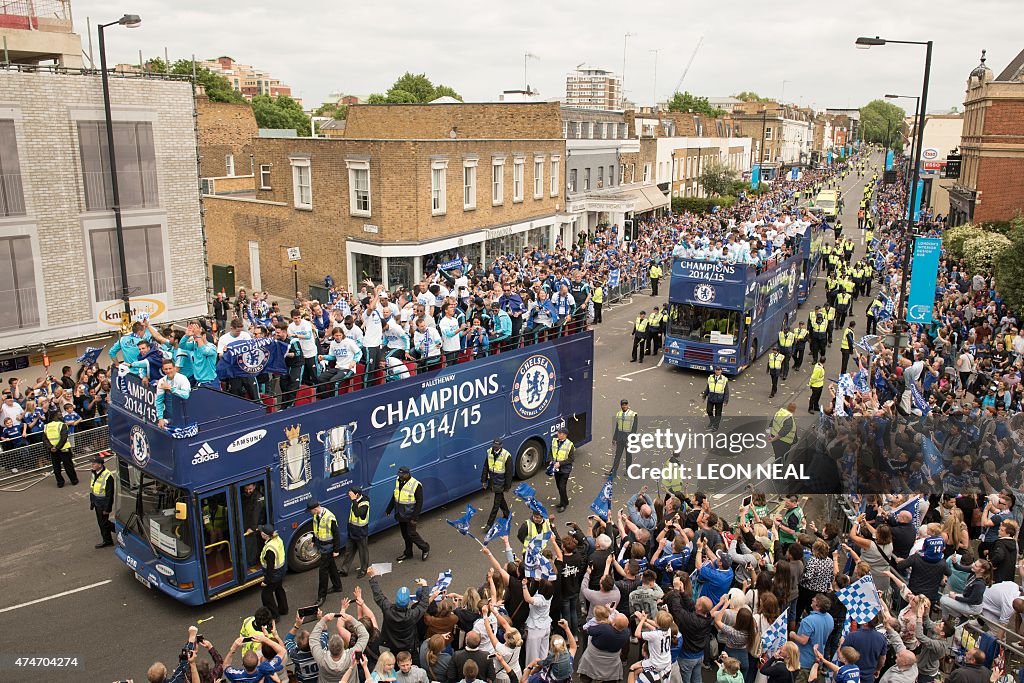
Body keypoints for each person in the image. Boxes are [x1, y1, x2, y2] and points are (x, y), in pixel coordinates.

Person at [367, 567, 434, 658]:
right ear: (407, 603)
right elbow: (424, 604)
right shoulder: (412, 615)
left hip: (393, 646)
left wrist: (372, 577)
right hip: (409, 647)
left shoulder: (388, 610)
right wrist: (425, 585)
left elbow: (378, 596)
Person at [309, 606, 370, 683]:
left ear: (329, 648)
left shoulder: (321, 658)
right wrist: (351, 619)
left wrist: (324, 619)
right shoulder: (352, 657)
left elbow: (313, 639)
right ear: (343, 647)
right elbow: (364, 635)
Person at [386, 466, 429, 561]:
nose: (400, 477)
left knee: (411, 534)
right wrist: (389, 509)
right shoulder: (398, 481)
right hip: (400, 513)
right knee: (405, 535)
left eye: (402, 475)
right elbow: (395, 496)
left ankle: (425, 548)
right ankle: (408, 553)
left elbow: (419, 502)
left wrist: (415, 517)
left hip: (410, 514)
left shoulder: (416, 485)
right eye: (399, 475)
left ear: (407, 474)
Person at [789, 593, 833, 683]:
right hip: (818, 659)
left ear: (817, 606)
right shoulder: (830, 618)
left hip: (804, 662)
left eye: (814, 600)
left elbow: (803, 640)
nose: (812, 600)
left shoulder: (808, 621)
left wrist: (792, 635)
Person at [307, 499, 343, 606]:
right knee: (331, 566)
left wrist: (336, 550)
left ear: (315, 509)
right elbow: (316, 529)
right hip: (322, 545)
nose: (310, 512)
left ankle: (321, 596)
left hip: (328, 547)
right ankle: (337, 586)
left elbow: (336, 534)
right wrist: (314, 540)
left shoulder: (329, 517)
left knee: (323, 572)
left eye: (310, 510)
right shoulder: (316, 516)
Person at [222, 630, 287, 682]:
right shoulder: (266, 668)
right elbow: (282, 651)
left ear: (243, 664)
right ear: (257, 663)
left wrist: (233, 648)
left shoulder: (236, 676)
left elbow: (225, 666)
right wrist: (265, 639)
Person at [258, 524, 288, 618]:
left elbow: (270, 568)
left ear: (264, 535)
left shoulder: (270, 549)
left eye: (261, 532)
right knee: (279, 589)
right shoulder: (277, 539)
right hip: (280, 571)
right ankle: (283, 609)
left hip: (274, 574)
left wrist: (266, 581)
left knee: (266, 595)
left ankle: (274, 615)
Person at [481, 438, 513, 528]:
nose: (495, 448)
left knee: (496, 503)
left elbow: (509, 473)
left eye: (497, 446)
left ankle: (489, 524)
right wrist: (484, 480)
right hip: (493, 481)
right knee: (500, 500)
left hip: (501, 482)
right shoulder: (489, 452)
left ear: (501, 446)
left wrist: (507, 486)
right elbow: (485, 467)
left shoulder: (506, 456)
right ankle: (507, 514)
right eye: (494, 446)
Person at [340, 487, 370, 578]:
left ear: (357, 495)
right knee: (349, 551)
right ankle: (344, 569)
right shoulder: (355, 500)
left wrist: (353, 500)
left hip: (361, 531)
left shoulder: (365, 503)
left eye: (351, 495)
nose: (350, 496)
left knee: (363, 552)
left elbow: (357, 513)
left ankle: (364, 569)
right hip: (352, 530)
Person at [43, 412, 77, 487]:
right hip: (64, 449)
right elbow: (64, 438)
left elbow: (45, 440)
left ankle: (60, 483)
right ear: (55, 416)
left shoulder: (46, 426)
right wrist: (57, 447)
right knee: (68, 466)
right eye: (60, 415)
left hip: (53, 450)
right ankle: (74, 480)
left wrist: (51, 447)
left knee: (56, 467)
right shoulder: (62, 425)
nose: (62, 416)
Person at [88, 455, 114, 548]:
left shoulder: (108, 476)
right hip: (96, 501)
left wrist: (107, 508)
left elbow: (110, 494)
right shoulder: (94, 472)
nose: (92, 465)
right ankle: (108, 539)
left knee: (104, 523)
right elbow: (93, 487)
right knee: (102, 522)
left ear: (100, 465)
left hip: (103, 503)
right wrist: (92, 501)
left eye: (94, 464)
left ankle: (112, 535)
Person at [549, 427, 575, 513]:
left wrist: (560, 463)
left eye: (560, 433)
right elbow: (551, 451)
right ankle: (563, 501)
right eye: (558, 433)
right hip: (556, 469)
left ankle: (564, 504)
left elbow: (571, 459)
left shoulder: (569, 444)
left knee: (562, 487)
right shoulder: (554, 441)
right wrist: (551, 461)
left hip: (565, 469)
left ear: (565, 435)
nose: (558, 434)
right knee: (558, 486)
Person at [610, 399, 639, 477]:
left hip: (628, 438)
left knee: (628, 455)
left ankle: (628, 471)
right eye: (623, 405)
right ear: (621, 406)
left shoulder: (633, 414)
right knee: (617, 455)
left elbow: (634, 428)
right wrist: (614, 438)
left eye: (625, 404)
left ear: (628, 405)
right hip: (620, 438)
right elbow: (617, 427)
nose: (624, 406)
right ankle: (614, 471)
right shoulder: (619, 414)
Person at [703, 367, 729, 431]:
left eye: (719, 370)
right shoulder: (710, 378)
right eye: (716, 370)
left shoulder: (724, 379)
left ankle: (715, 427)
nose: (717, 371)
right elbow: (707, 388)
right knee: (709, 410)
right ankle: (712, 421)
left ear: (721, 371)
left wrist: (725, 401)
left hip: (719, 399)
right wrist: (704, 396)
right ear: (715, 371)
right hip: (711, 397)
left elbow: (726, 391)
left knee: (718, 413)